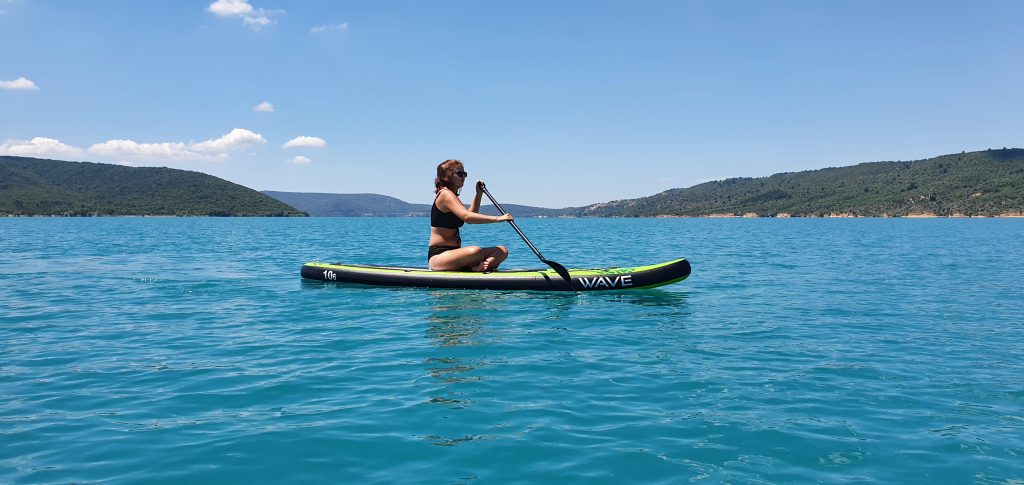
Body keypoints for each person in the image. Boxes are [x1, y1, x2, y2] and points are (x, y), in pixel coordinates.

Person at [428, 159, 513, 272]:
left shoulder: (452, 195)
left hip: (456, 254)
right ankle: (476, 267)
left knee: (502, 251)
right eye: (460, 174)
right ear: (448, 175)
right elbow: (467, 217)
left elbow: (470, 215)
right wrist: (498, 218)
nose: (463, 177)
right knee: (475, 251)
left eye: (465, 174)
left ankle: (480, 267)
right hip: (439, 256)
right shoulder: (445, 194)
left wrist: (478, 194)